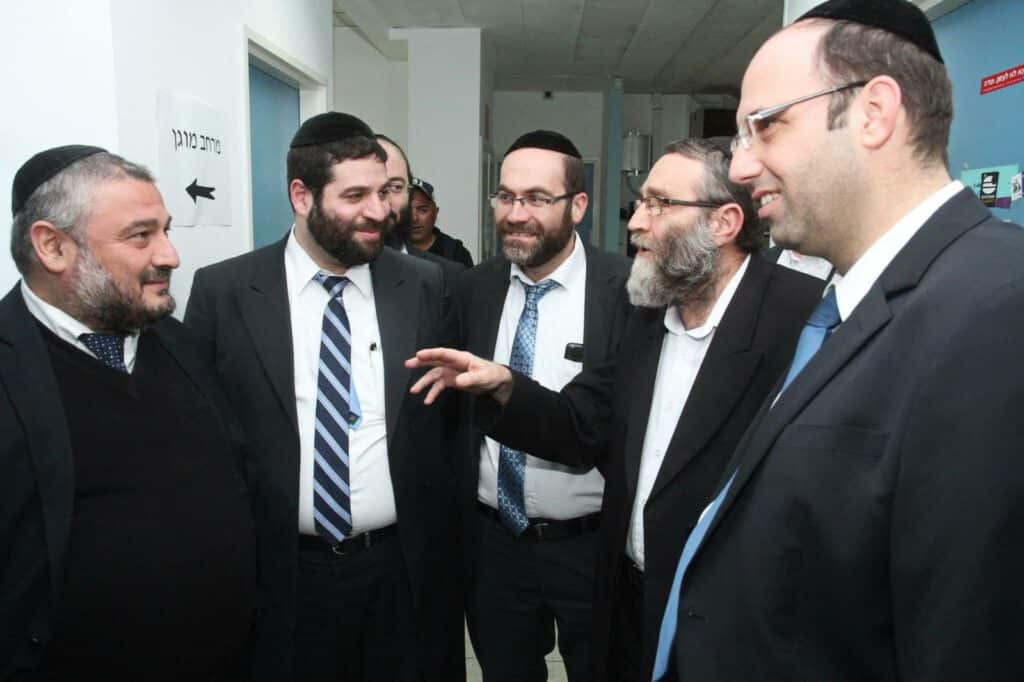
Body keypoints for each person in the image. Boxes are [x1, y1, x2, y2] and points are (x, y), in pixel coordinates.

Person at [646, 0, 1024, 679]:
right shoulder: (848, 302)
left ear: (874, 113)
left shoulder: (998, 311)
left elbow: (969, 635)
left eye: (766, 126)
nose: (741, 166)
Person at [408, 137, 822, 681]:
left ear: (723, 223)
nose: (636, 222)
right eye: (641, 202)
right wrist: (505, 386)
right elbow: (582, 423)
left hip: (729, 616)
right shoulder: (652, 317)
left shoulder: (805, 318)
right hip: (627, 588)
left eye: (659, 204)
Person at [185, 112, 463, 682]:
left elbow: (446, 427)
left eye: (383, 192)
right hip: (283, 577)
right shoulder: (226, 291)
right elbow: (201, 438)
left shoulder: (424, 285)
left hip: (401, 574)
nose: (378, 211)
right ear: (301, 196)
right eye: (354, 196)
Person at [1, 146, 256, 680]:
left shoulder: (183, 345)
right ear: (52, 246)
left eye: (166, 231)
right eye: (141, 236)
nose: (170, 256)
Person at [449, 129, 632, 682]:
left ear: (577, 206)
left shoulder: (627, 291)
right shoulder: (471, 290)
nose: (515, 214)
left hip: (590, 547)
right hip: (493, 546)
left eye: (536, 198)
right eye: (505, 197)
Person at [408, 177, 474, 268]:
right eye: (406, 210)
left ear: (435, 212)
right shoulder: (390, 248)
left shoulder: (455, 253)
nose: (414, 218)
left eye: (423, 210)